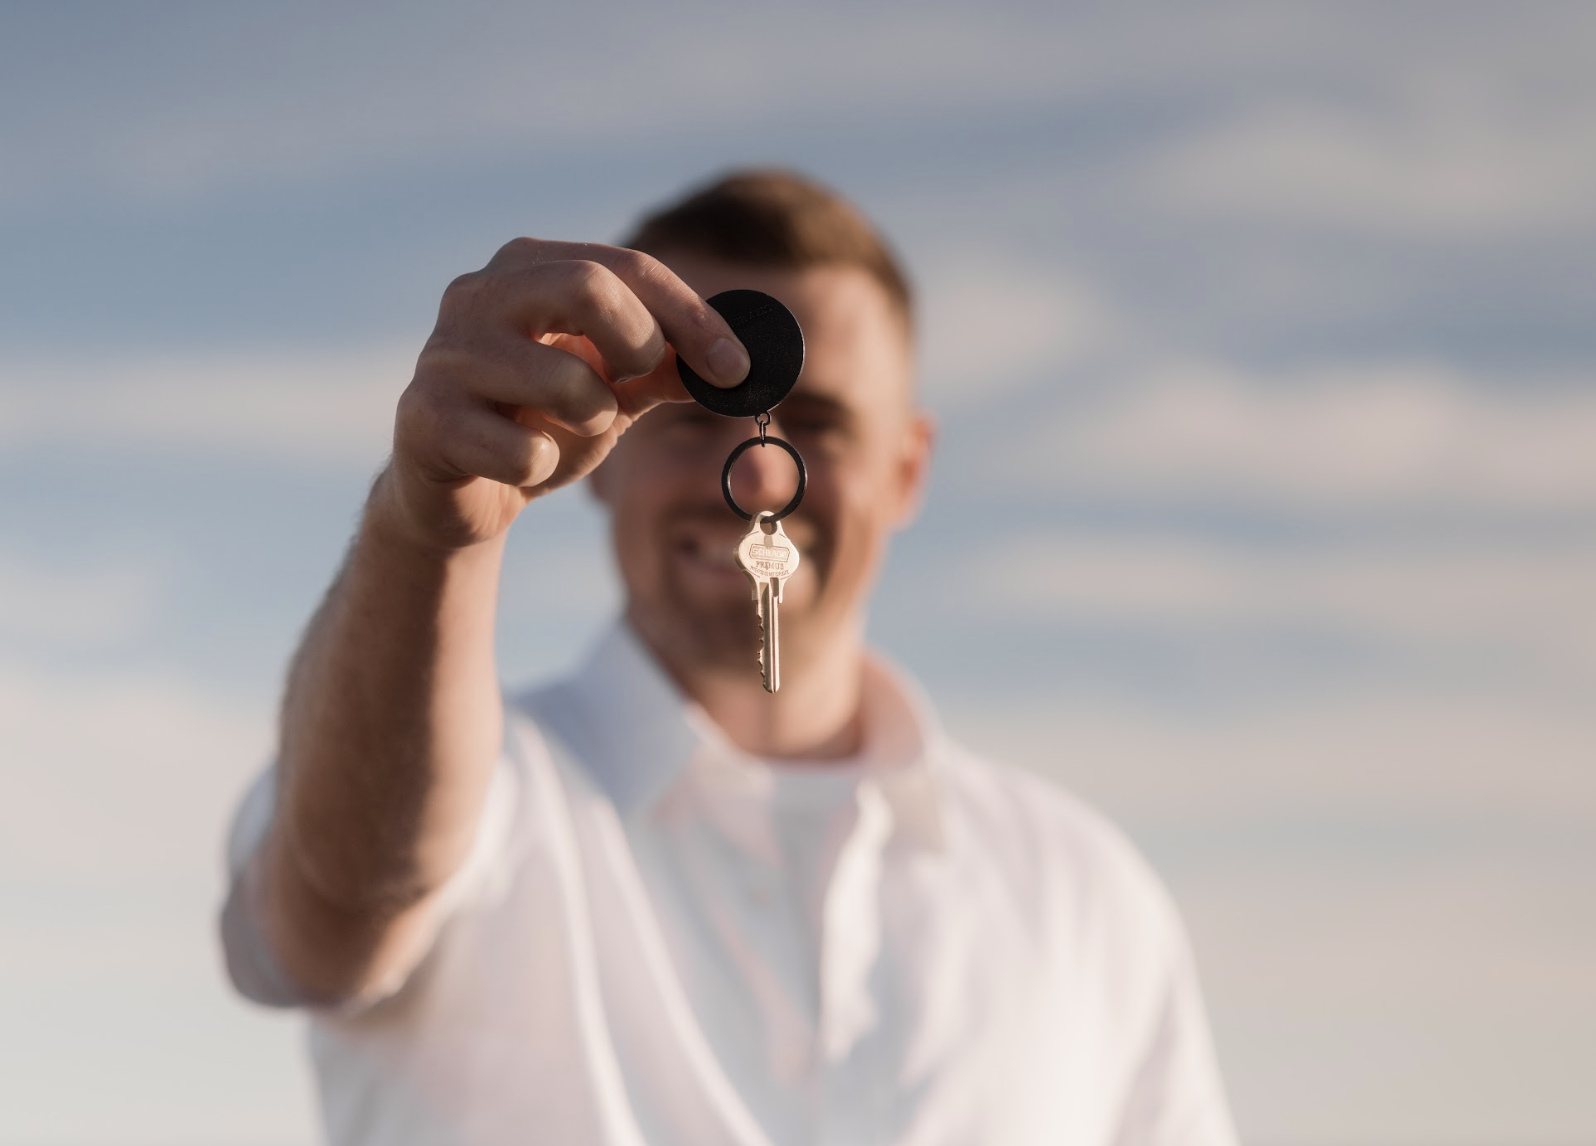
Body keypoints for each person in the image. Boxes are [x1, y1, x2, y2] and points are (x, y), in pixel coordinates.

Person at [220, 169, 1237, 1145]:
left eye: (820, 426)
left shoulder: (1082, 892)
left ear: (907, 469)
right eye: (689, 417)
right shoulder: (491, 795)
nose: (754, 472)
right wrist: (427, 530)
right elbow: (342, 903)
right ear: (603, 463)